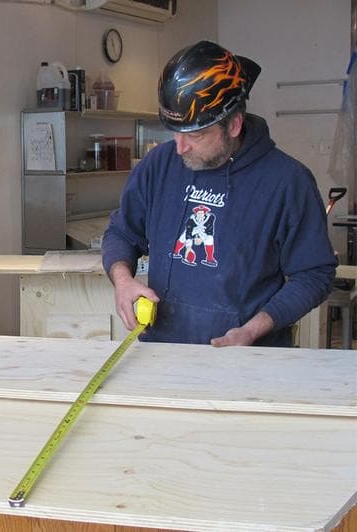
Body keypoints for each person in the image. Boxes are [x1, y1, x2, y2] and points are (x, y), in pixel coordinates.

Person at [102, 41, 337, 347]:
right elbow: (121, 233)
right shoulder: (158, 165)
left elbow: (314, 274)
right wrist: (122, 281)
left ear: (234, 125)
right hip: (163, 353)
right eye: (175, 132)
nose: (180, 147)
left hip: (247, 360)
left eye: (196, 135)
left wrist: (254, 329)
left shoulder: (288, 182)